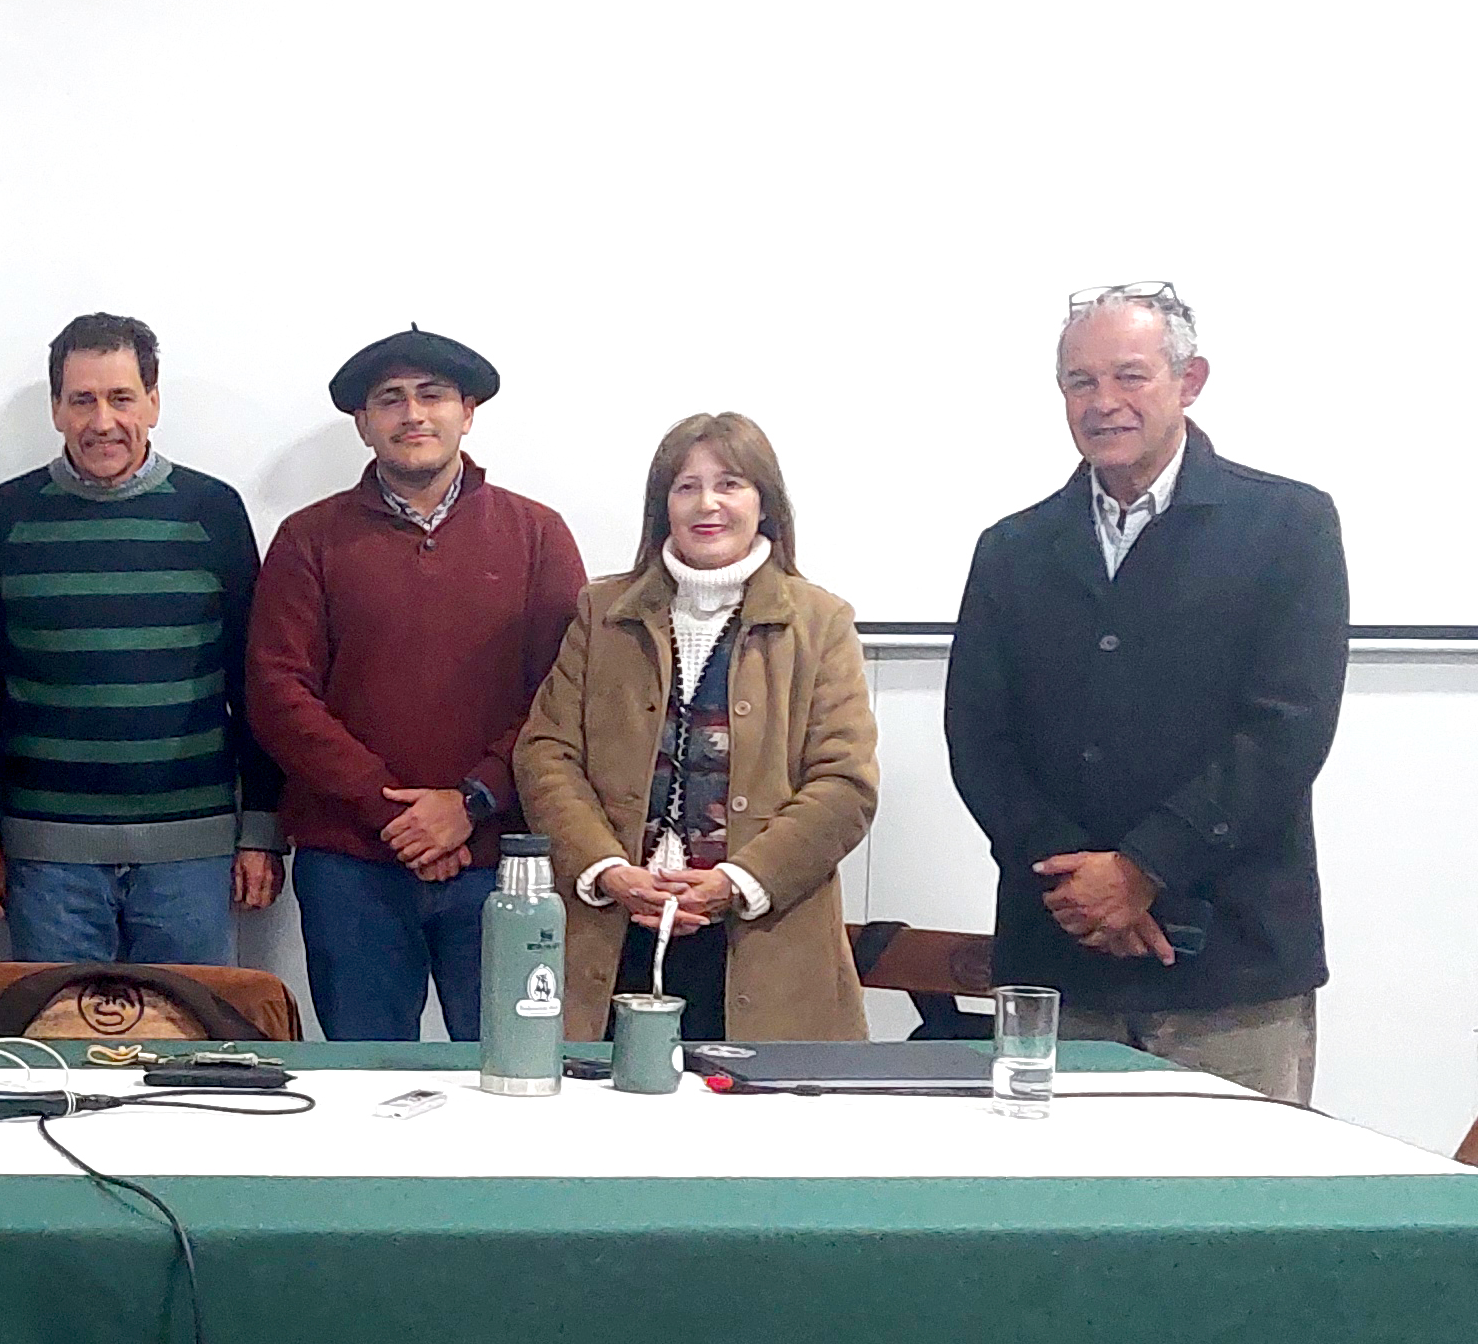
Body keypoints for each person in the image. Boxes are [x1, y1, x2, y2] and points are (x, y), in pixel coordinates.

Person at [948, 283, 1344, 1104]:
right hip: (1058, 961)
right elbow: (980, 740)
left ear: (1189, 381)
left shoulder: (1287, 526)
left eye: (1130, 376)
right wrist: (1077, 883)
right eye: (1080, 382)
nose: (1104, 403)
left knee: (1242, 1188)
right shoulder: (1012, 549)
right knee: (1045, 1188)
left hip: (1232, 967)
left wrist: (1144, 870)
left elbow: (1286, 730)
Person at [247, 328, 584, 1040]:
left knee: (512, 1065)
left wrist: (472, 801)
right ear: (363, 423)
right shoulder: (309, 538)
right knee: (365, 1077)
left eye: (432, 396)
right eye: (391, 399)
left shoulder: (537, 535)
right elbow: (278, 693)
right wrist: (393, 812)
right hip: (352, 864)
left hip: (501, 862)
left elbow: (565, 694)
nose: (413, 415)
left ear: (468, 412)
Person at [516, 413, 877, 1041]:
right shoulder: (602, 613)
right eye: (686, 487)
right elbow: (546, 753)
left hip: (763, 944)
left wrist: (735, 881)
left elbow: (845, 784)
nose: (707, 504)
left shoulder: (821, 622)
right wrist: (607, 868)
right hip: (613, 935)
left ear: (765, 503)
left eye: (730, 484)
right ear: (663, 507)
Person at [0, 312, 282, 965]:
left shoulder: (213, 512)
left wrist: (263, 829)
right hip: (47, 855)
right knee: (59, 1029)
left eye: (121, 398)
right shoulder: (4, 517)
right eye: (82, 400)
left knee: (189, 1027)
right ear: (56, 409)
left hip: (192, 853)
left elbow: (254, 682)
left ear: (153, 403)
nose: (103, 421)